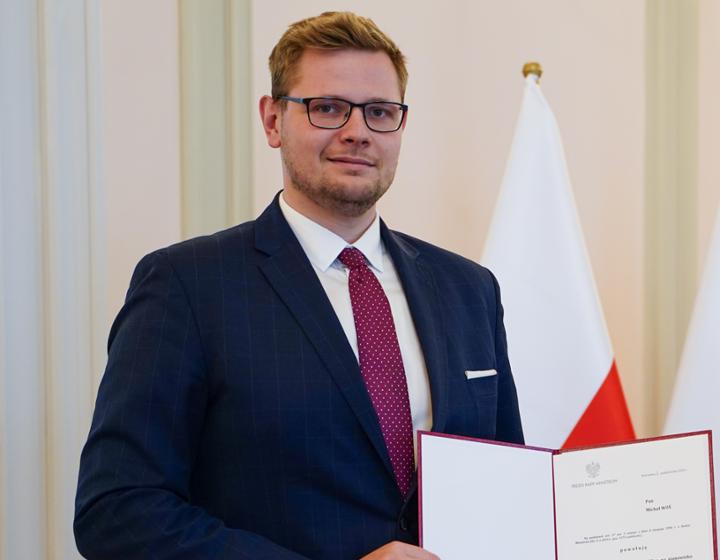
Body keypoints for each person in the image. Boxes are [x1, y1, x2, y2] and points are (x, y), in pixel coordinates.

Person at [74, 12, 522, 559]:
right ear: (272, 120)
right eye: (327, 108)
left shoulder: (470, 290)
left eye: (380, 112)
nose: (357, 131)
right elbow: (117, 510)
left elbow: (509, 488)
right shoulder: (185, 285)